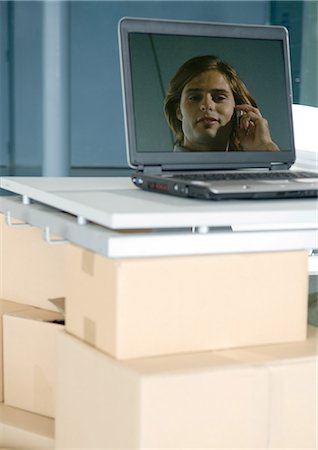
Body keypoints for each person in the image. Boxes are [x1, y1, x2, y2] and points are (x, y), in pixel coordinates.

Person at [163, 55, 279, 152]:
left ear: (239, 111)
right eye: (194, 98)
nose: (207, 105)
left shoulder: (253, 170)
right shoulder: (157, 175)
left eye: (219, 97)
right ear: (178, 111)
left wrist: (265, 148)